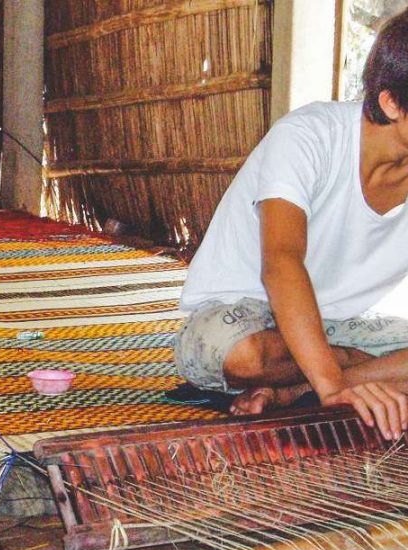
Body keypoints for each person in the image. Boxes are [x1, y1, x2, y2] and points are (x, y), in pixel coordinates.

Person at [175, 9, 408, 441]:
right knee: (244, 357)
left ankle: (293, 392)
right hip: (243, 319)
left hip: (340, 326)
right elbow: (281, 262)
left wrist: (326, 380)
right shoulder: (309, 135)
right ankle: (344, 375)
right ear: (392, 102)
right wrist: (335, 387)